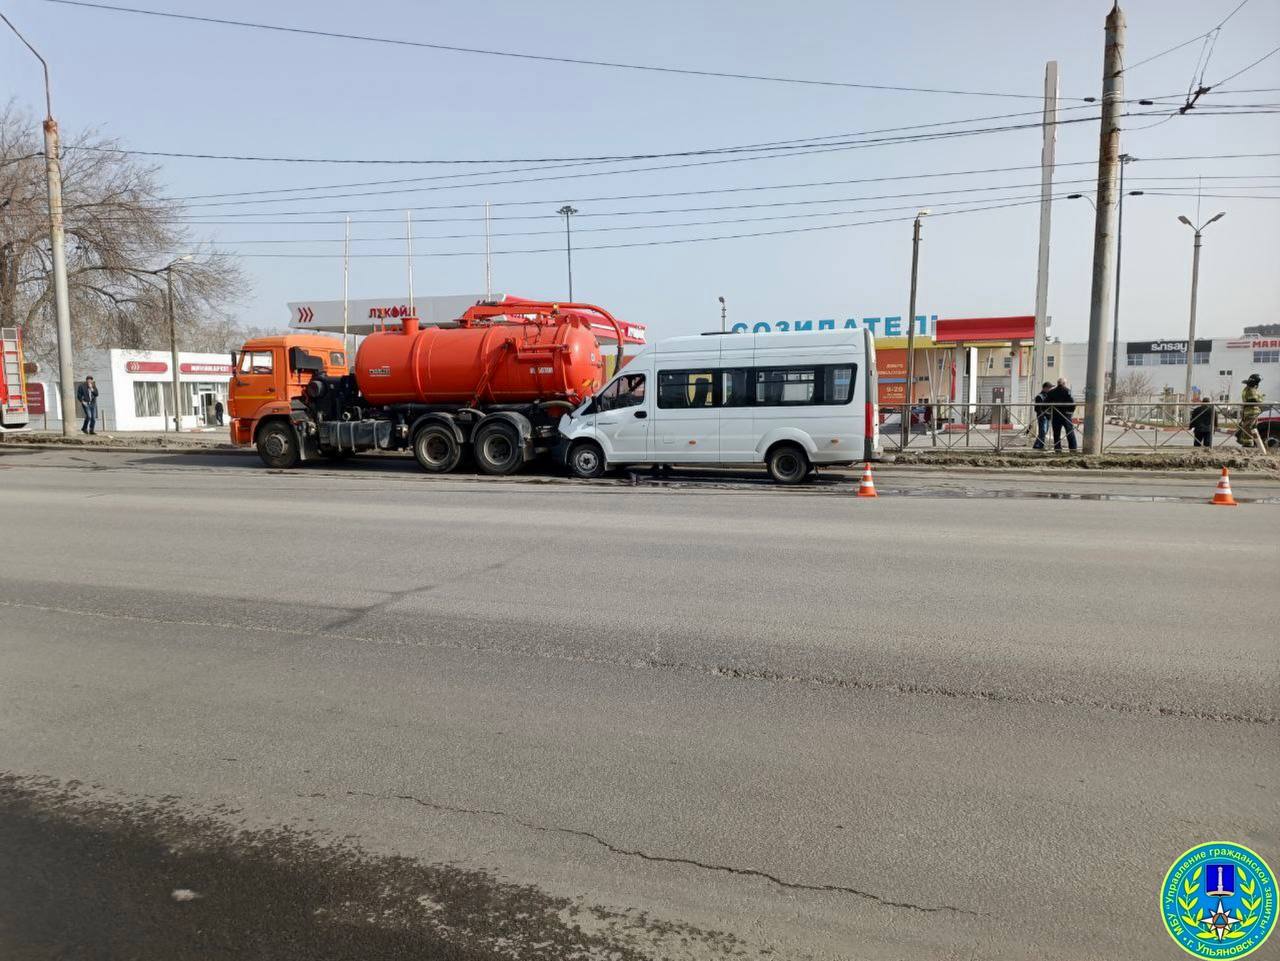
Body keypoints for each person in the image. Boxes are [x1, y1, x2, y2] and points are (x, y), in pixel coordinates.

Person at [1045, 378, 1078, 452]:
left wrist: (1049, 413)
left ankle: (1057, 448)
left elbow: (1045, 404)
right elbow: (1073, 403)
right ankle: (1073, 448)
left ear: (1058, 383)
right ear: (1064, 383)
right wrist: (1070, 412)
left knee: (1056, 433)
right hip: (1066, 415)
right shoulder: (1068, 391)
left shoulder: (1051, 392)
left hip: (1056, 415)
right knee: (1070, 432)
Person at [1236, 373, 1264, 447]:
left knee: (1251, 428)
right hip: (1252, 412)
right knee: (1250, 429)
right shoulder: (1251, 390)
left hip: (1250, 412)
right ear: (1255, 383)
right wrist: (1261, 398)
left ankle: (1252, 443)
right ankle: (1248, 444)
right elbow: (1253, 400)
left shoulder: (1247, 389)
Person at [1032, 381, 1053, 451]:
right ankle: (1040, 445)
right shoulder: (1039, 396)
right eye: (1050, 388)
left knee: (1044, 431)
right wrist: (1044, 414)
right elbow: (1038, 408)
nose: (1051, 389)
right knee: (1043, 431)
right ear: (1045, 388)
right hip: (1042, 416)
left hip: (1047, 416)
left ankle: (1037, 444)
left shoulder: (1048, 395)